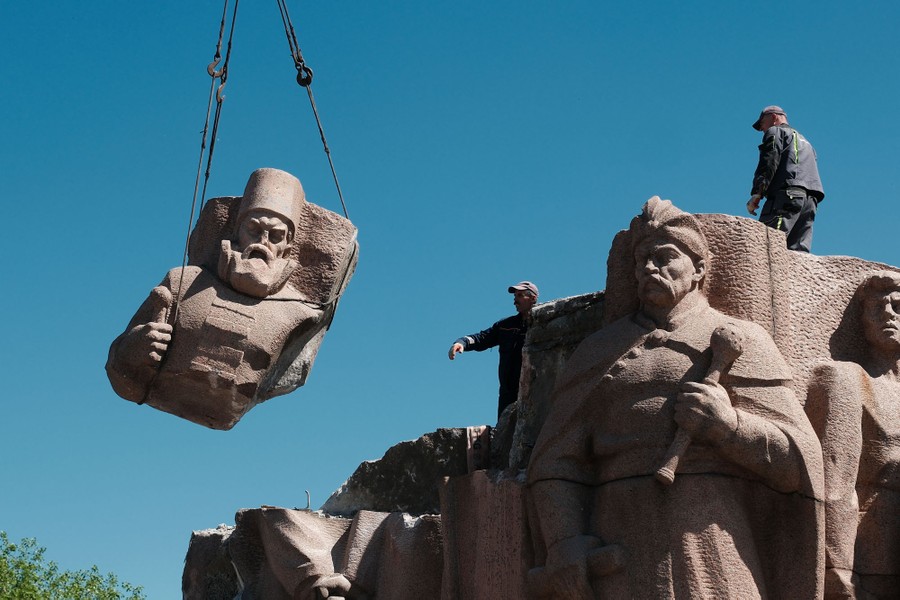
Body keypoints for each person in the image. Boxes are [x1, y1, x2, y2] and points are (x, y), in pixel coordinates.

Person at [527, 197, 824, 599]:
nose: (650, 268)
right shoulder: (598, 350)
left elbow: (798, 459)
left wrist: (730, 428)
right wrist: (564, 542)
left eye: (665, 256)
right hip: (617, 543)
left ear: (699, 268)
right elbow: (555, 461)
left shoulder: (740, 338)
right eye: (641, 261)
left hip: (712, 538)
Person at [106, 168, 331, 430]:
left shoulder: (300, 312)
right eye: (253, 229)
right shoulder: (183, 281)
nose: (262, 243)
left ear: (288, 246)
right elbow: (119, 371)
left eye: (276, 235)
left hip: (225, 413)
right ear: (236, 231)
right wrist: (133, 350)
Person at [807, 271, 900, 599]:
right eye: (876, 307)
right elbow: (836, 482)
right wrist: (838, 570)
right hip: (874, 558)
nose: (887, 313)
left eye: (898, 306)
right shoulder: (846, 379)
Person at [448, 281, 539, 418]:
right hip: (508, 393)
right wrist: (462, 343)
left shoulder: (544, 323)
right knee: (504, 434)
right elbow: (481, 338)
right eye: (514, 296)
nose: (515, 300)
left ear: (533, 298)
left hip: (535, 389)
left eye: (519, 295)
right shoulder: (505, 326)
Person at [746, 105, 825, 253]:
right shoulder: (806, 142)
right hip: (810, 201)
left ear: (774, 117)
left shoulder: (776, 131)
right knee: (799, 252)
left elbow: (769, 161)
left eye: (762, 124)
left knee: (769, 244)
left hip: (786, 196)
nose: (762, 129)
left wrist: (757, 193)